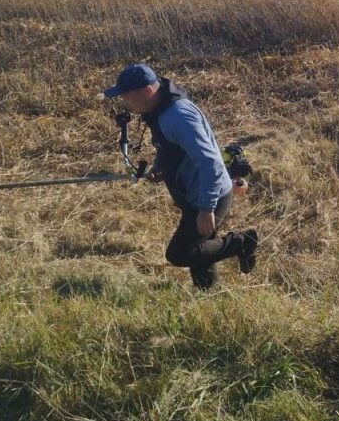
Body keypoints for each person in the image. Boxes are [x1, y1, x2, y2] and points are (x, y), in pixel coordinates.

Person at [104, 63, 257, 289]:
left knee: (181, 253)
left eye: (127, 97)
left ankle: (241, 243)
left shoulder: (178, 117)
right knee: (200, 250)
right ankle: (207, 294)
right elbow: (171, 148)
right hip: (195, 193)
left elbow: (211, 164)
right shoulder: (160, 109)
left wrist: (206, 209)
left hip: (206, 195)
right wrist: (160, 165)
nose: (126, 104)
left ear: (147, 91)